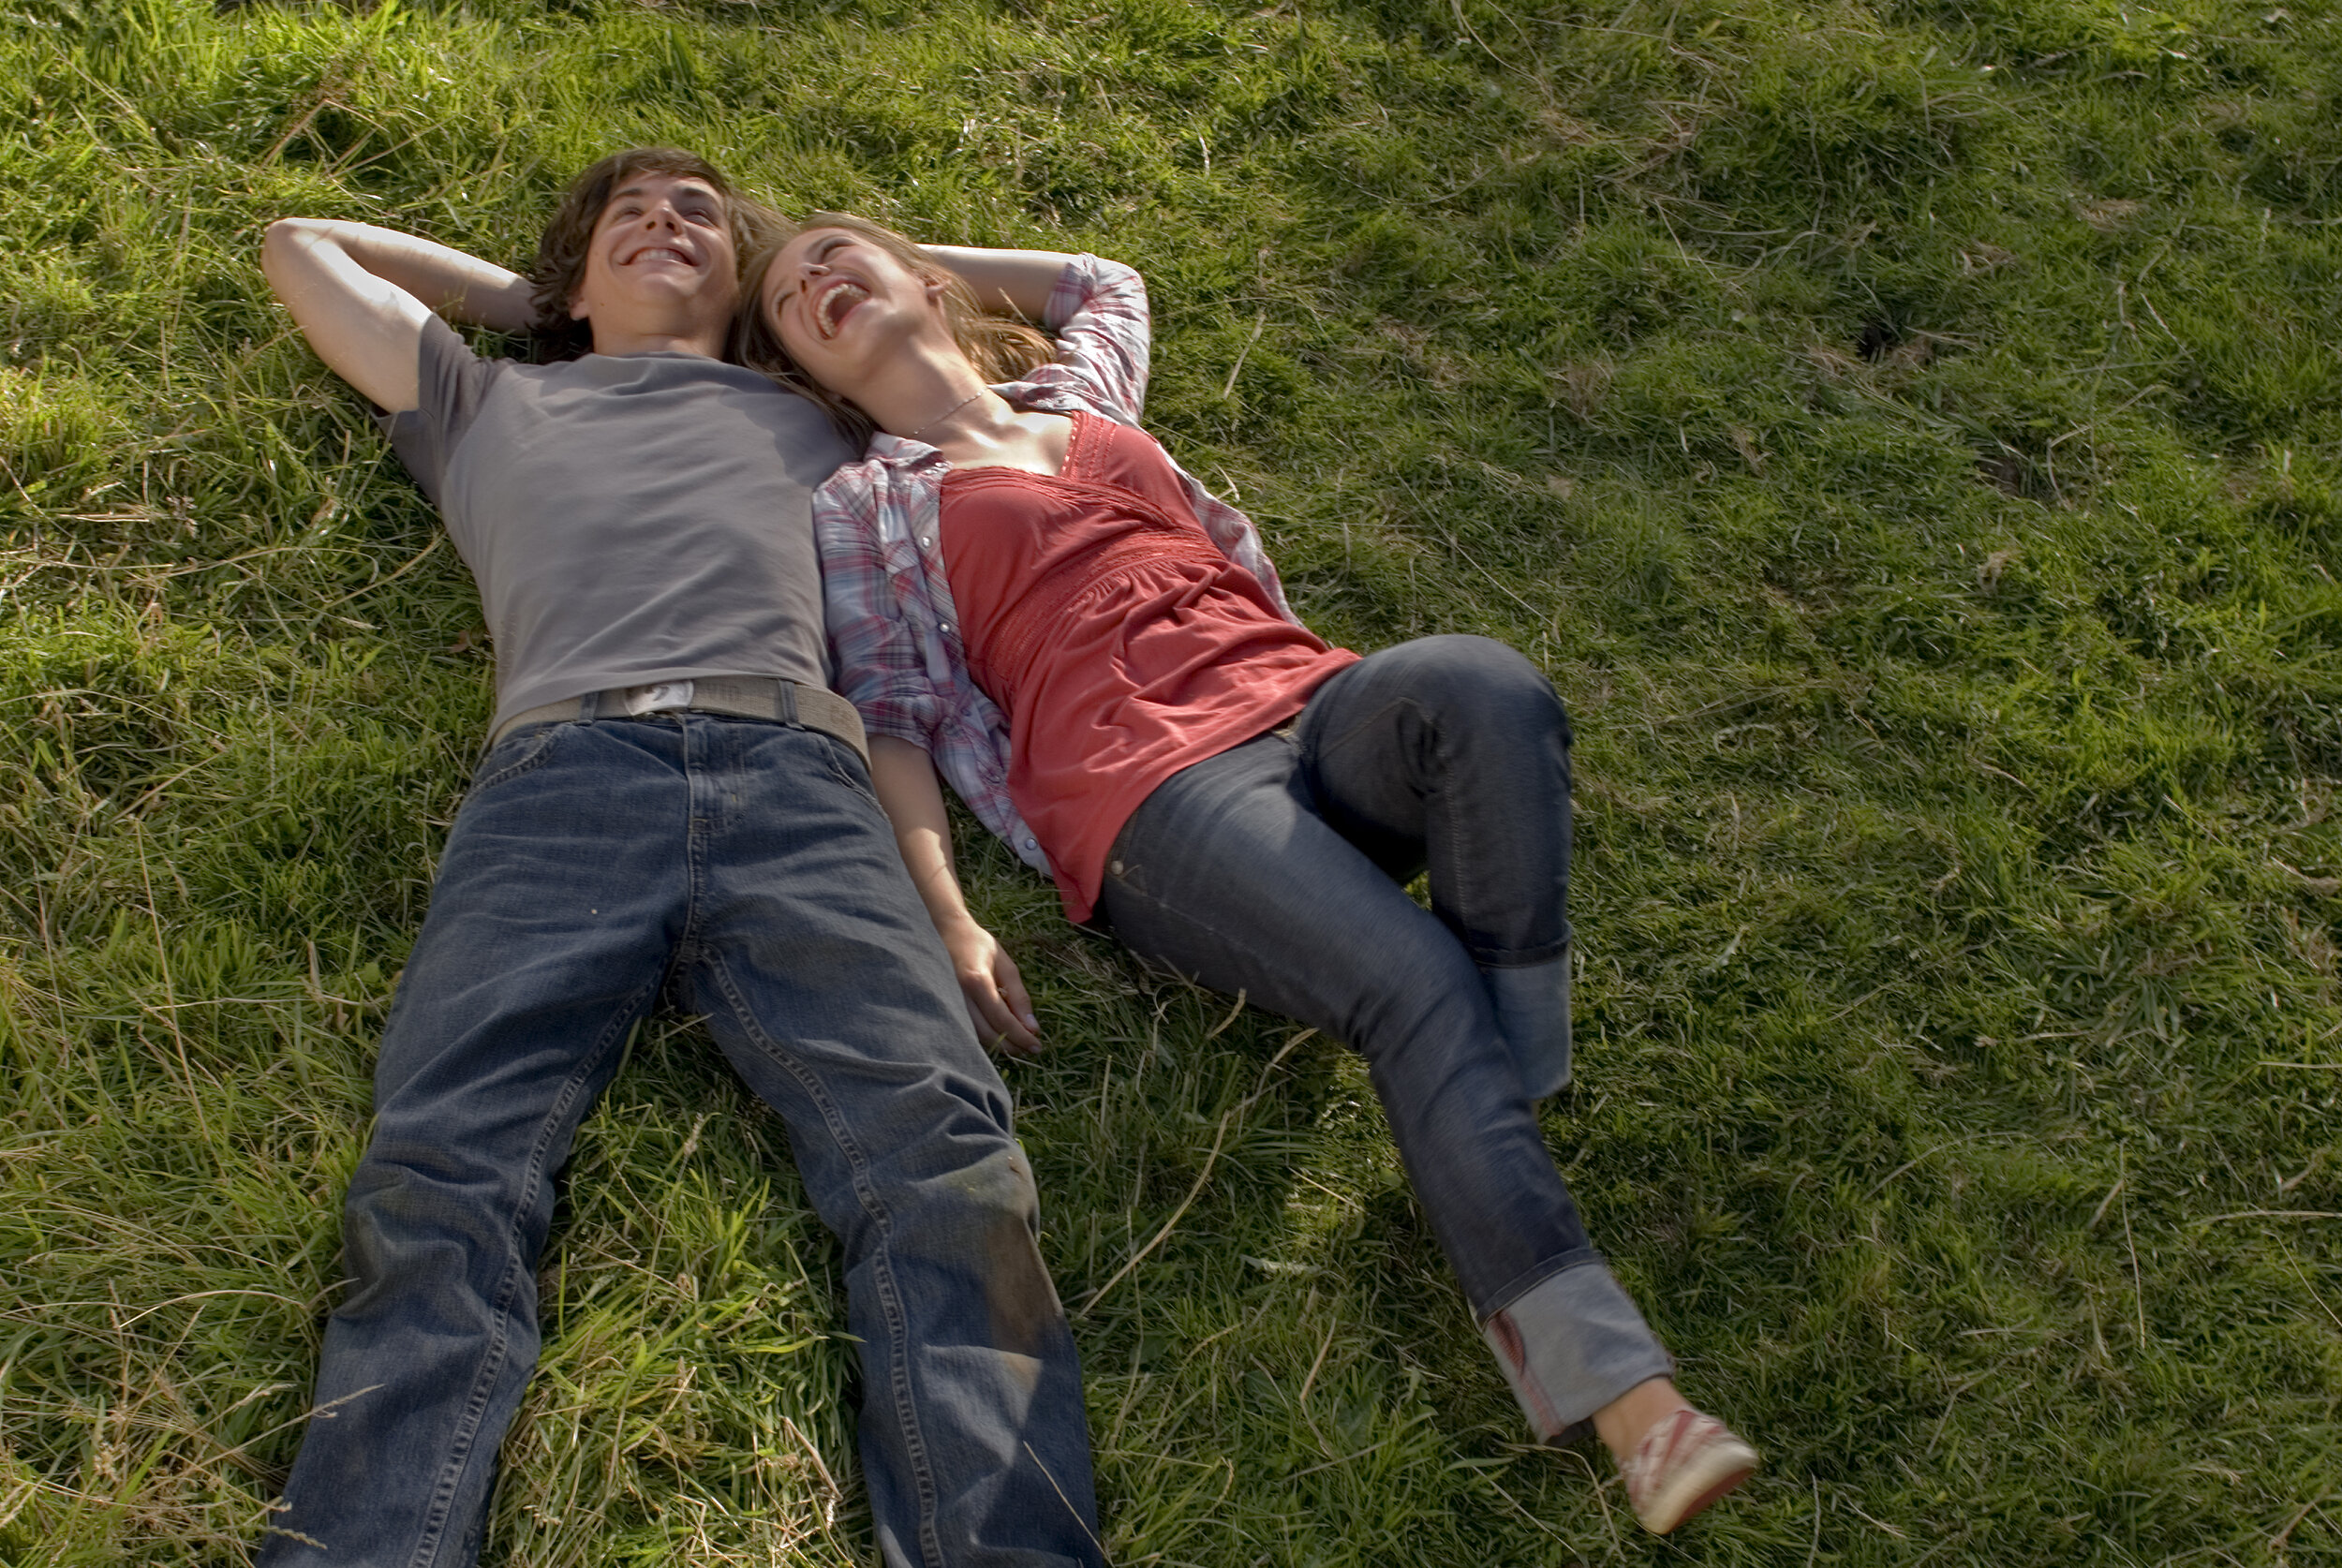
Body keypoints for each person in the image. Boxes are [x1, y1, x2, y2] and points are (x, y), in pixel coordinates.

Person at [731, 214, 1762, 1535]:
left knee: (1484, 687)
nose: (816, 277)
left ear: (922, 276)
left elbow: (1104, 283)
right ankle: (1629, 1401)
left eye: (836, 252)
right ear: (809, 376)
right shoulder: (864, 505)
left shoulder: (1080, 397)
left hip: (1315, 707)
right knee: (1413, 983)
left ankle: (1493, 1098)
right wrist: (950, 914)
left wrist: (909, 269)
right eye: (791, 296)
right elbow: (892, 714)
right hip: (1151, 790)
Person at [255, 155, 1105, 1568]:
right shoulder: (483, 399)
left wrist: (787, 278)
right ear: (570, 284)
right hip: (559, 785)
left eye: (701, 214)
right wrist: (546, 306)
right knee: (442, 1173)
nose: (667, 222)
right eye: (630, 217)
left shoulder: (826, 413)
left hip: (805, 782)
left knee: (948, 1164)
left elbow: (1061, 306)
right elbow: (299, 246)